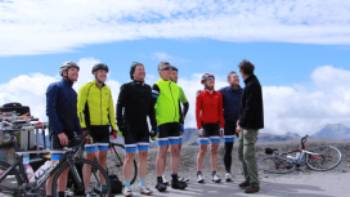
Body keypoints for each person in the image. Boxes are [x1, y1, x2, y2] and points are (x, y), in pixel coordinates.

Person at [117, 62, 157, 196]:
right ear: (133, 73)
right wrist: (120, 125)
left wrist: (154, 126)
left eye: (144, 70)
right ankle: (127, 186)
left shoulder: (148, 88)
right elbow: (119, 106)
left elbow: (151, 110)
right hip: (129, 127)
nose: (142, 71)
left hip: (143, 128)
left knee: (144, 156)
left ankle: (143, 185)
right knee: (129, 156)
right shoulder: (126, 87)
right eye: (139, 70)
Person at [77, 63, 117, 194]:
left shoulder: (107, 90)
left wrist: (114, 127)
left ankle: (102, 187)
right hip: (90, 128)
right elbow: (80, 109)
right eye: (100, 72)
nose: (103, 74)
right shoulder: (86, 88)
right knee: (89, 159)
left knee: (103, 158)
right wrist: (83, 128)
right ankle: (86, 189)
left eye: (105, 72)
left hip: (103, 128)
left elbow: (110, 109)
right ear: (95, 74)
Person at [46, 62, 81, 197]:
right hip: (57, 133)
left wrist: (80, 133)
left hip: (69, 133)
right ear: (64, 72)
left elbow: (74, 116)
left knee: (66, 167)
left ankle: (61, 194)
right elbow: (50, 111)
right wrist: (59, 132)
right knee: (54, 168)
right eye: (72, 70)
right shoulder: (55, 87)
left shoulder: (73, 93)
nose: (75, 73)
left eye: (77, 71)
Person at [152, 61, 188, 192]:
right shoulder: (156, 86)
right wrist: (153, 123)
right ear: (160, 72)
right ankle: (159, 181)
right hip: (163, 124)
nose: (168, 71)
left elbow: (183, 104)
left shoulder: (176, 87)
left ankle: (174, 179)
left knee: (176, 152)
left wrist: (181, 120)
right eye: (165, 69)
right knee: (162, 153)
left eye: (169, 69)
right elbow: (150, 106)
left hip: (175, 124)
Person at [236, 60, 264, 194]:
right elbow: (245, 107)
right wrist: (240, 122)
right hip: (244, 124)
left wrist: (240, 123)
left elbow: (249, 108)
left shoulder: (253, 85)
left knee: (248, 154)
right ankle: (248, 179)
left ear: (242, 71)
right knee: (241, 153)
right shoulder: (250, 84)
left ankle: (254, 183)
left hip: (250, 126)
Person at [195, 73, 224, 184]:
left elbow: (220, 111)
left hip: (215, 125)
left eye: (213, 79)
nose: (212, 81)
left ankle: (214, 173)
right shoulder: (200, 95)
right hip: (205, 126)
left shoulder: (219, 95)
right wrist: (199, 127)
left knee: (214, 151)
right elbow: (197, 112)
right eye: (209, 79)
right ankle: (199, 173)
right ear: (204, 82)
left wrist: (221, 126)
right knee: (202, 150)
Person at [219, 71, 243, 182]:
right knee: (228, 149)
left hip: (242, 123)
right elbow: (212, 97)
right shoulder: (223, 92)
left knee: (245, 148)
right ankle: (228, 172)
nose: (237, 78)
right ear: (229, 80)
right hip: (228, 124)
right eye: (234, 77)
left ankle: (247, 171)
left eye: (238, 77)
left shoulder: (244, 92)